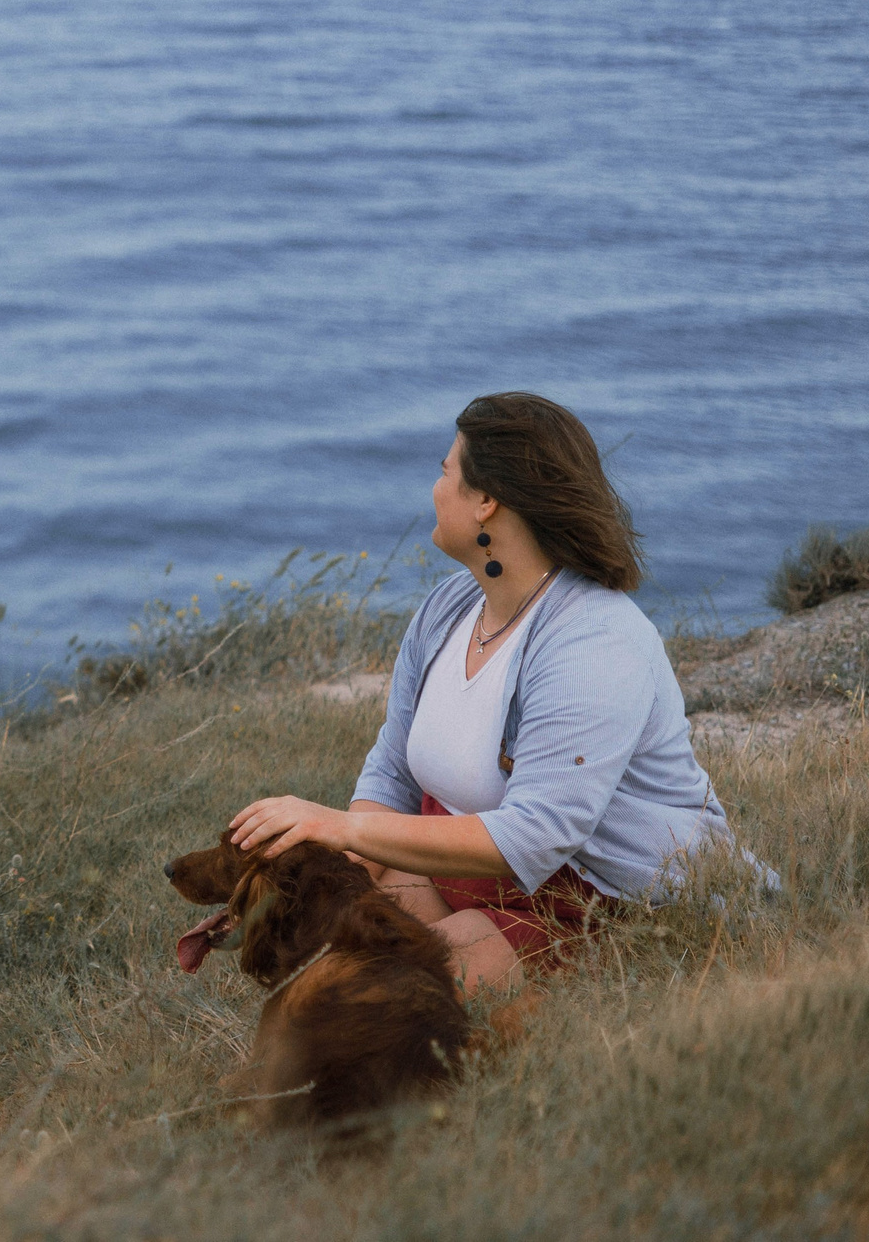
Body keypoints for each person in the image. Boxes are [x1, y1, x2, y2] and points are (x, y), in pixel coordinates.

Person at [224, 392, 766, 995]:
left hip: (593, 905)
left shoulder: (595, 641)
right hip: (461, 881)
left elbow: (535, 837)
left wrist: (339, 829)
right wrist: (323, 879)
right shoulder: (447, 610)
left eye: (445, 471)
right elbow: (391, 779)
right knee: (317, 956)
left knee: (375, 996)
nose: (434, 488)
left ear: (486, 501)